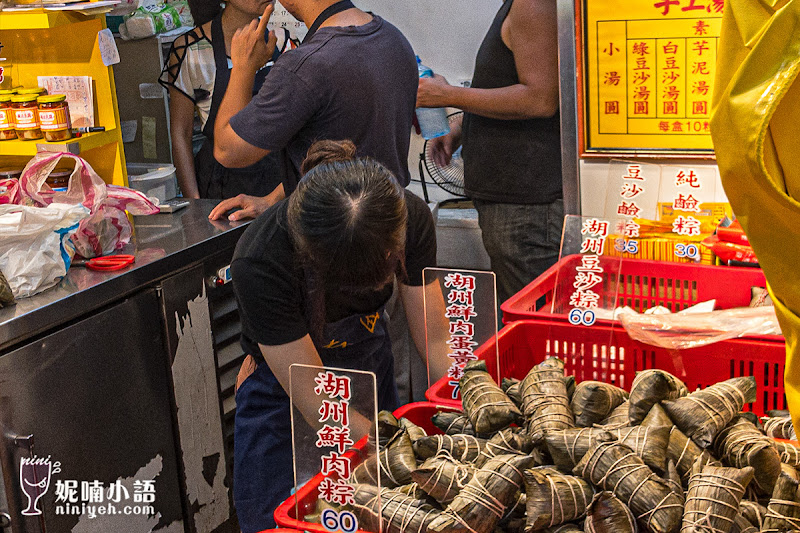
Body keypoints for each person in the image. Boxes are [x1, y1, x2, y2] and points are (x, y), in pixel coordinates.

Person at [231, 140, 437, 532]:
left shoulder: (404, 215)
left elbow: (437, 339)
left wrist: (469, 403)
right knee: (288, 521)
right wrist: (404, 449)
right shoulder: (262, 258)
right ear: (311, 257)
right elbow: (317, 403)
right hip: (287, 400)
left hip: (368, 376)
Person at [207, 0, 418, 221]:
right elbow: (343, 148)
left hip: (334, 234)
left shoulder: (305, 66)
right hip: (391, 221)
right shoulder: (393, 39)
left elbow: (228, 151)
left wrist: (243, 67)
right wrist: (272, 200)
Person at [416, 0, 563, 307]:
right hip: (516, 205)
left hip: (526, 207)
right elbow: (509, 85)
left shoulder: (533, 4)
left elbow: (540, 99)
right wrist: (461, 128)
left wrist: (449, 95)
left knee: (534, 327)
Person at [158, 0, 289, 198]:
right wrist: (195, 205)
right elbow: (181, 133)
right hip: (218, 187)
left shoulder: (282, 42)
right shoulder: (191, 48)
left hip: (276, 184)